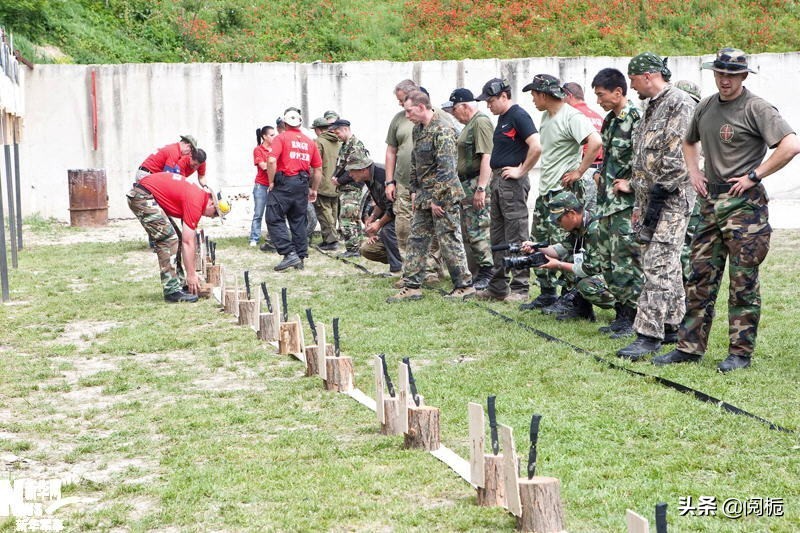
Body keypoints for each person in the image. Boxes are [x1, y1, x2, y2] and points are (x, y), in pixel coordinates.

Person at [655, 48, 800, 372]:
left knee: (742, 281)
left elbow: (790, 145)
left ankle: (739, 352)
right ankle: (689, 347)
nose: (725, 80)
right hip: (710, 204)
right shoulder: (706, 105)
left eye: (731, 75)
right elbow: (688, 141)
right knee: (700, 277)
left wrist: (754, 175)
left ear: (743, 76)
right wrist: (694, 172)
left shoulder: (756, 108)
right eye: (720, 73)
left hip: (744, 208)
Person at [616, 52, 696, 361]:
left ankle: (647, 335)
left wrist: (654, 207)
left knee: (658, 264)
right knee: (665, 264)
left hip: (671, 200)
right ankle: (673, 325)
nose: (632, 86)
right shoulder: (651, 107)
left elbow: (677, 163)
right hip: (649, 200)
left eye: (633, 79)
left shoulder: (680, 104)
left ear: (648, 76)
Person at [520, 74, 602, 315]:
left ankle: (572, 300)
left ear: (544, 94)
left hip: (562, 193)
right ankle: (547, 294)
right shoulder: (546, 117)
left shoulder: (571, 116)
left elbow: (595, 141)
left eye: (534, 94)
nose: (533, 100)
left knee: (564, 245)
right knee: (538, 242)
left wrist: (579, 171)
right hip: (546, 191)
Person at [387, 90, 474, 302]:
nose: (406, 115)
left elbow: (447, 169)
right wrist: (415, 191)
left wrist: (437, 199)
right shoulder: (418, 129)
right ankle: (412, 286)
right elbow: (416, 162)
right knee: (417, 239)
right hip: (424, 194)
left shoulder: (443, 130)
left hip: (444, 196)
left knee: (449, 240)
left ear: (422, 107)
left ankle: (464, 286)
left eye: (409, 111)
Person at [475, 78, 541, 302]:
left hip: (512, 183)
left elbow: (536, 145)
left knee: (517, 234)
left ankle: (520, 288)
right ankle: (498, 287)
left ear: (504, 96)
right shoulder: (503, 118)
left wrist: (521, 171)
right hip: (499, 181)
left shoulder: (518, 115)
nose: (488, 105)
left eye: (491, 100)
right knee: (498, 235)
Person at [589, 68, 643, 337]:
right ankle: (621, 313)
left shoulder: (636, 119)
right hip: (607, 204)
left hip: (626, 205)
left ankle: (633, 316)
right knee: (608, 261)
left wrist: (631, 184)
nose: (598, 101)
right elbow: (610, 154)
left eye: (601, 95)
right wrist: (600, 172)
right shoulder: (610, 120)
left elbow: (646, 161)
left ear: (618, 92)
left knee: (626, 262)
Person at [126, 171, 229, 303]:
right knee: (168, 239)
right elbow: (188, 242)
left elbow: (187, 238)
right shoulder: (196, 202)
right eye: (215, 214)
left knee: (176, 238)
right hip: (142, 196)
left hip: (145, 194)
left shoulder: (197, 196)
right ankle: (172, 290)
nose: (212, 217)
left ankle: (179, 284)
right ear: (211, 204)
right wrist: (191, 275)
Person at [520, 191, 621, 321]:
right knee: (569, 260)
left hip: (621, 277)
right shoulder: (580, 227)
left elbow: (589, 269)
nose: (557, 223)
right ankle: (582, 309)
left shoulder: (594, 230)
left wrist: (559, 265)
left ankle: (625, 309)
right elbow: (559, 250)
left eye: (559, 219)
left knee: (586, 284)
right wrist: (536, 246)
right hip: (607, 271)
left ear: (572, 214)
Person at [385, 79, 444, 286]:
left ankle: (430, 269)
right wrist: (389, 181)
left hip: (431, 184)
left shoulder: (438, 117)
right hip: (404, 182)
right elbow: (391, 150)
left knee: (432, 227)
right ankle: (408, 270)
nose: (401, 105)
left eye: (403, 101)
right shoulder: (399, 119)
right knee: (404, 226)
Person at [447, 88, 495, 291]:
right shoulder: (469, 125)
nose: (454, 115)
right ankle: (477, 271)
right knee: (469, 229)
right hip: (466, 184)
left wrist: (481, 188)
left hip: (476, 182)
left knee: (478, 229)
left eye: (455, 110)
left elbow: (487, 155)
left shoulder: (480, 122)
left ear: (465, 106)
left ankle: (488, 271)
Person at [265, 107, 323, 271]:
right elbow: (318, 170)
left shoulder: (281, 138)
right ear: (300, 123)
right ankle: (300, 257)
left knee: (273, 217)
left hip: (284, 183)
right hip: (302, 183)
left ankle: (289, 253)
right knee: (298, 221)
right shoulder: (310, 142)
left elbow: (271, 161)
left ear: (284, 123)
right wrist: (314, 189)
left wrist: (271, 182)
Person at [344, 155, 402, 275]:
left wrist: (378, 225)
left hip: (403, 214)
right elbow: (381, 203)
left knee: (387, 230)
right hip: (394, 214)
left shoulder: (382, 176)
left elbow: (393, 208)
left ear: (363, 170)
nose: (350, 175)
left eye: (352, 171)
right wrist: (373, 218)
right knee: (367, 250)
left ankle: (398, 269)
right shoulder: (368, 177)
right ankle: (401, 260)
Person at [330, 119, 369, 256]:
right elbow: (342, 166)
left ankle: (354, 249)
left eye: (338, 132)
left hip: (352, 187)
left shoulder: (355, 146)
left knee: (348, 218)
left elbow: (356, 169)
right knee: (350, 217)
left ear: (345, 129)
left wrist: (339, 180)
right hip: (345, 187)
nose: (337, 135)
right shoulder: (345, 145)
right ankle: (355, 248)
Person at [311, 117, 343, 251]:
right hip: (336, 182)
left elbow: (314, 165)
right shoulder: (339, 141)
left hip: (323, 183)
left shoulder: (319, 142)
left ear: (318, 130)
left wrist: (312, 185)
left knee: (324, 213)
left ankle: (331, 241)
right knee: (333, 212)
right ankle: (330, 238)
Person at [250, 126, 276, 247]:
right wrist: (273, 165)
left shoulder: (276, 148)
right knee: (258, 213)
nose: (274, 137)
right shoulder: (258, 150)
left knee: (273, 213)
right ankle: (254, 238)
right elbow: (264, 166)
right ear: (264, 136)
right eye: (271, 135)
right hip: (261, 185)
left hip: (273, 185)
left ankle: (272, 237)